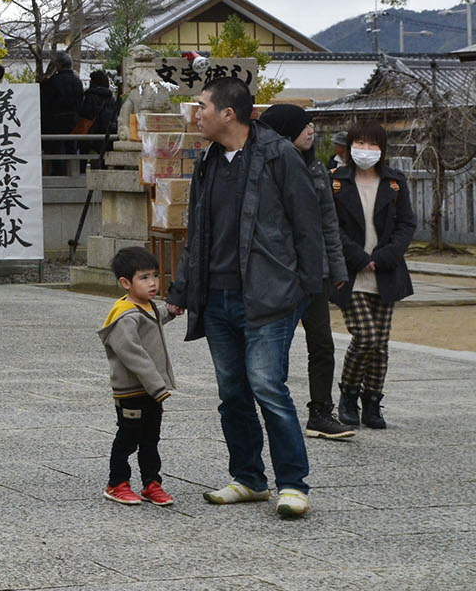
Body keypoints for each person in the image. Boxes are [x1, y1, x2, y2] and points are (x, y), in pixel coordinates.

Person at [166, 76, 327, 518]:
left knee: (267, 387)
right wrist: (182, 290)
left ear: (227, 114)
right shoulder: (210, 161)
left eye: (201, 107)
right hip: (216, 297)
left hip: (269, 295)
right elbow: (198, 234)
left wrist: (308, 287)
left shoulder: (279, 156)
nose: (196, 114)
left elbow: (307, 225)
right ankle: (249, 478)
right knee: (232, 391)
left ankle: (293, 483)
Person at [255, 104, 352, 441]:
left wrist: (336, 269)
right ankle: (269, 408)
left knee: (322, 342)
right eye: (303, 125)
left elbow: (329, 227)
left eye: (311, 125)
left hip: (315, 273)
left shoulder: (318, 172)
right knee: (272, 348)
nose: (311, 131)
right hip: (276, 273)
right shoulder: (262, 169)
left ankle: (321, 411)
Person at [332, 120, 416, 432]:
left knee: (380, 344)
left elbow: (407, 223)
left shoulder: (395, 182)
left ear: (382, 149)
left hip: (385, 272)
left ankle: (372, 401)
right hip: (352, 273)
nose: (365, 151)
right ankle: (348, 394)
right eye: (360, 144)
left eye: (372, 145)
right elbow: (331, 226)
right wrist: (358, 257)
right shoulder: (337, 182)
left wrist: (384, 257)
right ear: (350, 146)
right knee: (365, 336)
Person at [100, 246, 178, 508]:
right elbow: (134, 355)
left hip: (150, 392)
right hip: (132, 391)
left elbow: (154, 318)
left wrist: (172, 310)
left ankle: (151, 483)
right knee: (128, 437)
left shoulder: (146, 307)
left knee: (151, 439)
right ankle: (117, 483)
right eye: (144, 278)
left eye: (155, 276)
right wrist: (158, 387)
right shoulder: (124, 315)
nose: (153, 283)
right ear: (125, 283)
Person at [40, 51, 84, 175]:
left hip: (55, 121)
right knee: (72, 148)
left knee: (57, 149)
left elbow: (46, 103)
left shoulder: (53, 81)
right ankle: (73, 174)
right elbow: (80, 102)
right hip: (74, 120)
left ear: (59, 65)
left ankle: (59, 174)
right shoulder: (77, 82)